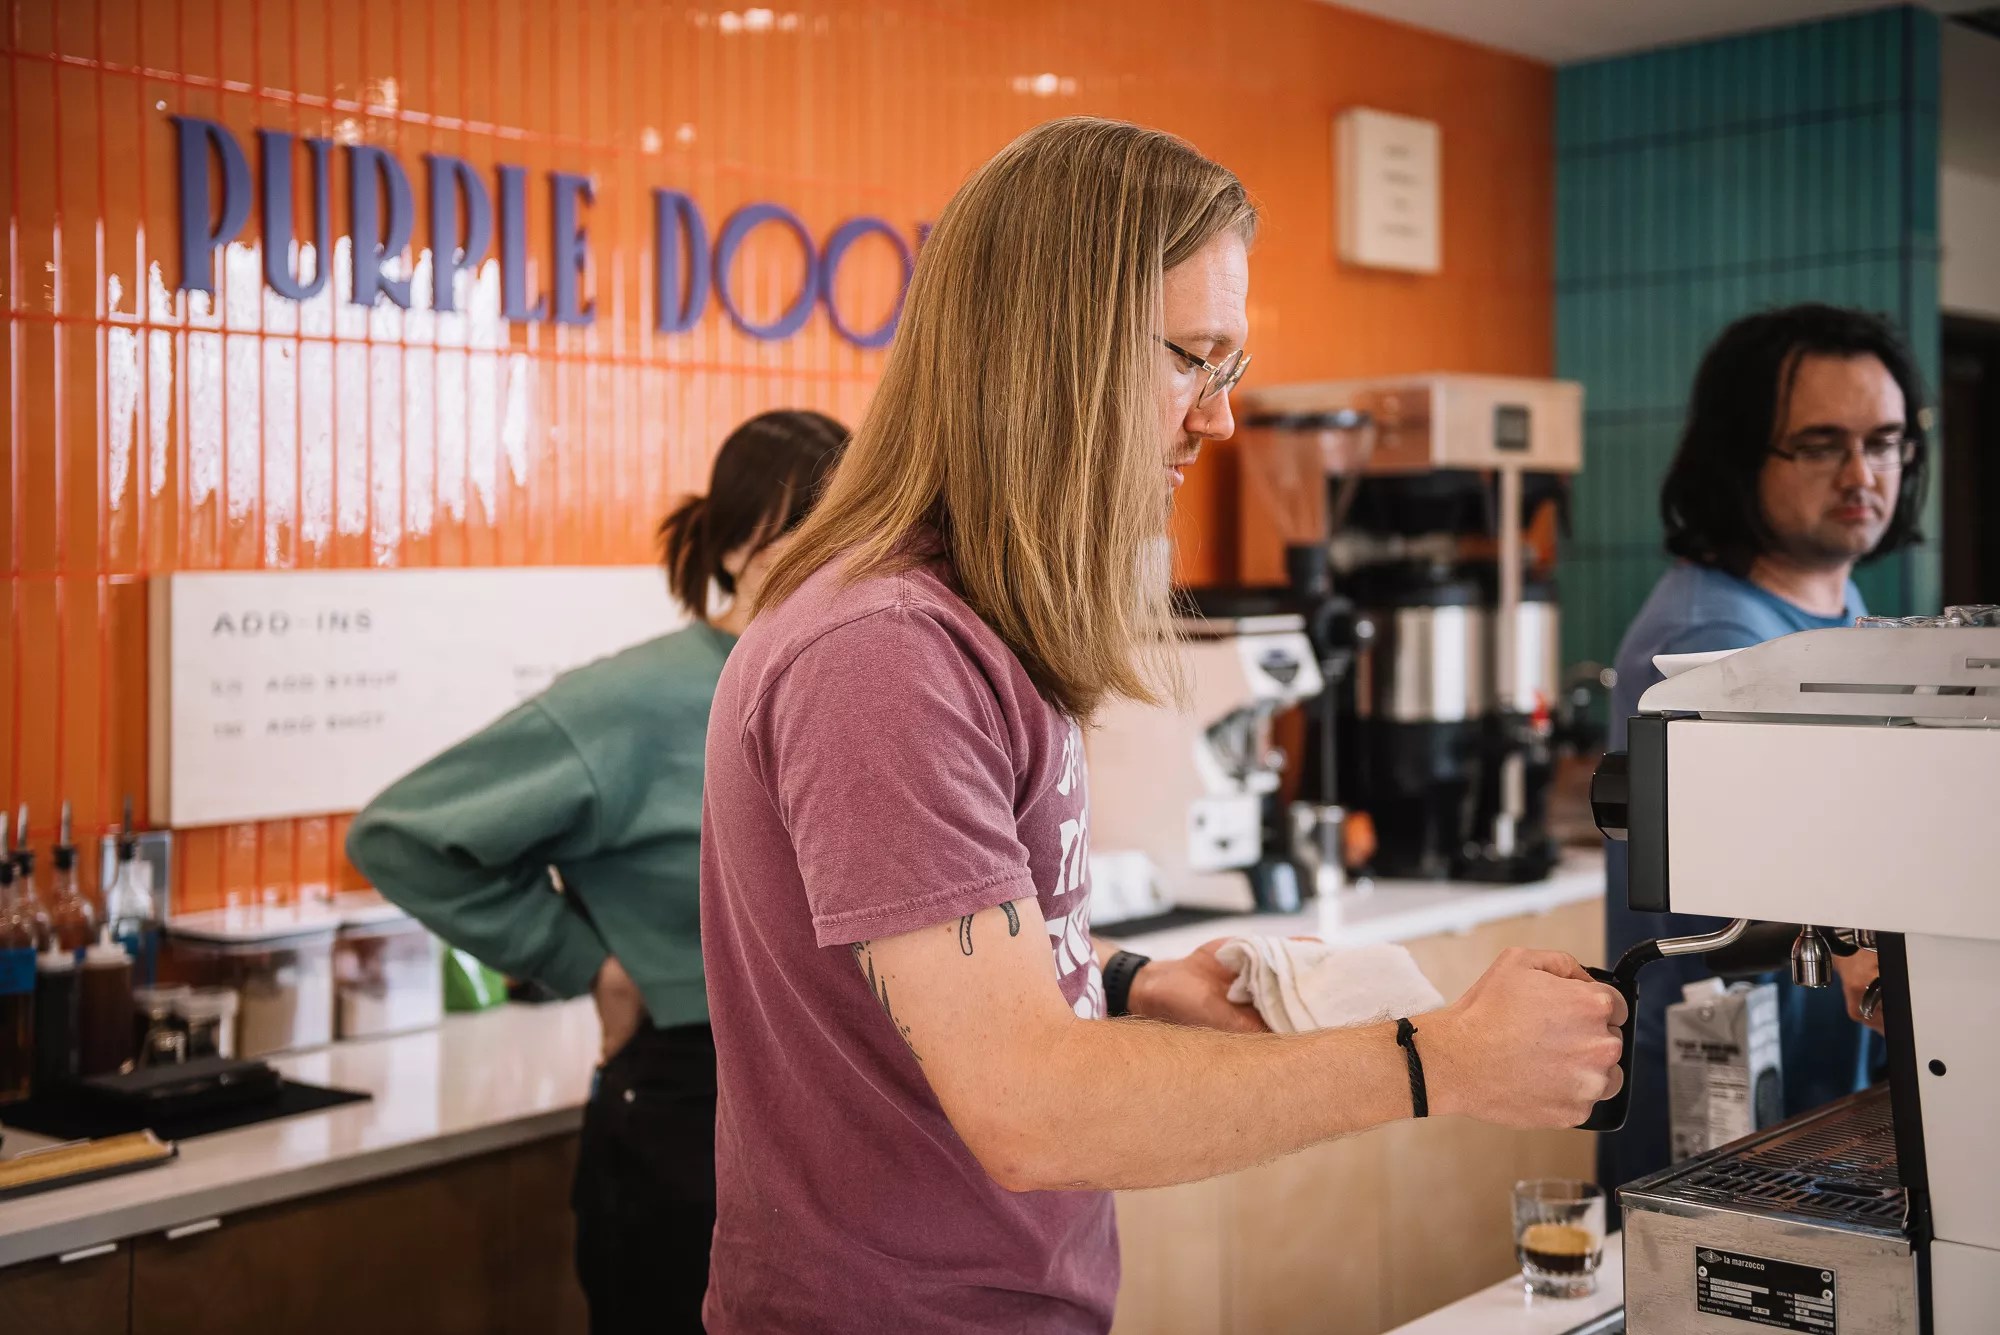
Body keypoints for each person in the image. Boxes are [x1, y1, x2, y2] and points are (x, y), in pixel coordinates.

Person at [696, 116, 1627, 1335]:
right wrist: (1436, 1059)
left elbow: (938, 982)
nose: (1218, 421)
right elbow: (1032, 1107)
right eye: (1195, 358)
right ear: (1051, 350)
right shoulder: (882, 654)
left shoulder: (966, 622)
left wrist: (1127, 984)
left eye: (1227, 371)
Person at [344, 409, 849, 1333]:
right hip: (683, 1113)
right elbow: (402, 836)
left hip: (830, 1116)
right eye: (803, 539)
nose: (833, 568)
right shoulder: (630, 702)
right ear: (734, 548)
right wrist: (589, 964)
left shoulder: (854, 685)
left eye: (852, 537)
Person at [1599, 303, 1929, 1190]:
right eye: (1822, 443)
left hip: (1824, 1093)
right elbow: (1775, 880)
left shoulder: (1838, 614)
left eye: (1886, 441)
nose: (1863, 471)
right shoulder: (1716, 639)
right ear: (1742, 453)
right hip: (1735, 1120)